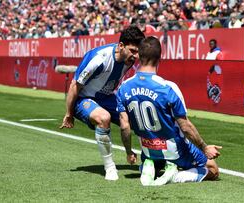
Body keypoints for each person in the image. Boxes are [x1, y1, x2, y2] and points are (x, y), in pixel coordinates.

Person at [116, 36, 222, 186]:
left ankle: (147, 165)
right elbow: (185, 126)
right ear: (160, 58)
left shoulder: (124, 87)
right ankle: (176, 176)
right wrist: (204, 147)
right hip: (174, 149)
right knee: (212, 169)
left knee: (152, 155)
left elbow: (124, 126)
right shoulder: (168, 88)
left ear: (139, 55)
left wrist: (129, 152)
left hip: (148, 150)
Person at [59, 26, 145, 181]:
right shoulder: (99, 58)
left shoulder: (129, 59)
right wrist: (69, 114)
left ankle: (149, 161)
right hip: (83, 99)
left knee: (138, 117)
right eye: (133, 51)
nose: (136, 56)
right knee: (103, 118)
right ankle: (110, 168)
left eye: (138, 51)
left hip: (106, 98)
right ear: (121, 46)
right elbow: (74, 86)